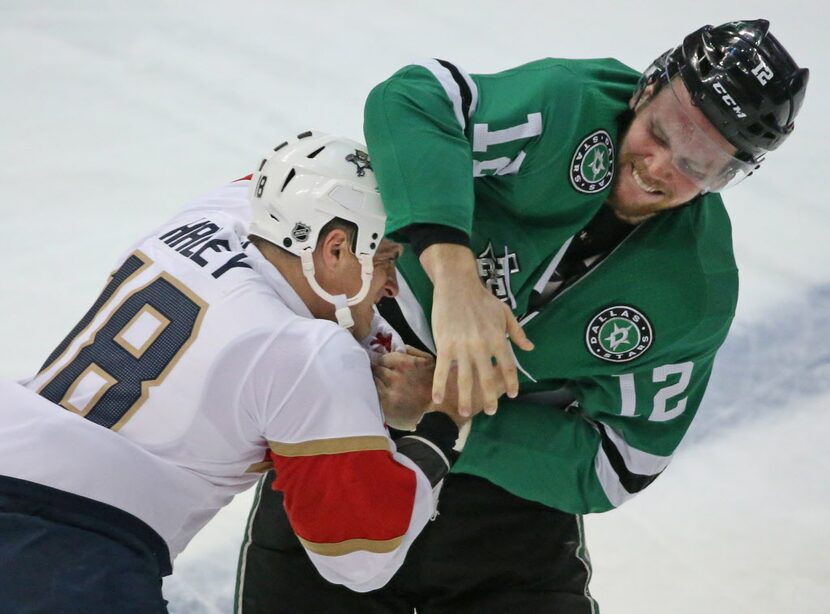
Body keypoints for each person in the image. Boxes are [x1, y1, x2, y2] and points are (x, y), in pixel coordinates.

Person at [236, 20, 808, 612]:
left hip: (508, 504)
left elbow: (620, 464)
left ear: (731, 176)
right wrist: (453, 271)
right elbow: (408, 99)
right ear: (645, 88)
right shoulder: (566, 107)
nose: (660, 167)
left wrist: (451, 417)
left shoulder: (695, 289)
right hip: (358, 421)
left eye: (698, 165)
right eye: (661, 132)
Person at [0, 132, 459, 613]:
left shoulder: (215, 214)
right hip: (67, 548)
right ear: (337, 248)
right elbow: (362, 556)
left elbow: (295, 179)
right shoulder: (311, 352)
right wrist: (443, 418)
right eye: (385, 260)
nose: (389, 286)